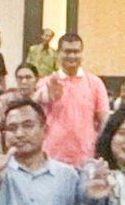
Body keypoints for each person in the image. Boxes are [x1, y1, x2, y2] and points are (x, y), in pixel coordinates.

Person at [38, 33, 110, 166]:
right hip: (52, 159)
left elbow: (104, 120)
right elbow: (37, 100)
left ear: (82, 53)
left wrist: (99, 147)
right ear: (58, 53)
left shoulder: (95, 83)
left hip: (86, 159)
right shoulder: (46, 82)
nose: (72, 56)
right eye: (67, 51)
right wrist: (48, 96)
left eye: (76, 52)